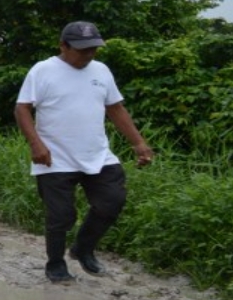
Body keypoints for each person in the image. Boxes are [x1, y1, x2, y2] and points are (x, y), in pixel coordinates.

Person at [14, 21, 154, 284]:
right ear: (63, 46)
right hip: (54, 158)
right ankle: (55, 264)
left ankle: (83, 249)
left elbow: (115, 108)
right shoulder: (43, 70)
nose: (89, 54)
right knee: (61, 216)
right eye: (82, 49)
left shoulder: (101, 71)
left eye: (93, 49)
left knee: (112, 201)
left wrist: (138, 142)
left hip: (97, 154)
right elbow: (22, 109)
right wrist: (36, 144)